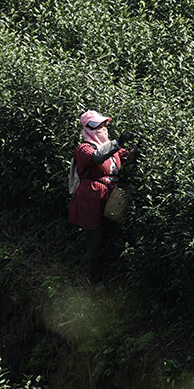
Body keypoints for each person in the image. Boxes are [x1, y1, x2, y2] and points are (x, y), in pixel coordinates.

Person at [68, 110, 139, 286]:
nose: (102, 129)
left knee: (111, 236)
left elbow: (128, 158)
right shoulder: (84, 149)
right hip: (91, 197)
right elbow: (98, 157)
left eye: (103, 125)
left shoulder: (111, 147)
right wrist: (119, 141)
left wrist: (139, 148)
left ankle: (112, 277)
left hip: (111, 196)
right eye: (97, 126)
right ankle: (95, 282)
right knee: (95, 240)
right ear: (87, 129)